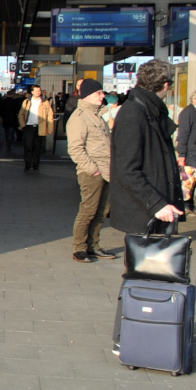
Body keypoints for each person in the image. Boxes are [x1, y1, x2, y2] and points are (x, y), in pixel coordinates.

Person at [109, 58, 185, 236]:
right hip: (146, 211)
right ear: (166, 85)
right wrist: (157, 204)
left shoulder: (148, 109)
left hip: (154, 207)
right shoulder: (134, 113)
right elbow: (127, 169)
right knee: (147, 262)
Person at [67, 79, 115, 262]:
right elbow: (75, 149)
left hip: (107, 171)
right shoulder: (79, 118)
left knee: (102, 212)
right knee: (88, 211)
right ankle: (79, 248)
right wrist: (93, 169)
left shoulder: (99, 115)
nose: (103, 96)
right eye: (99, 93)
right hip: (92, 173)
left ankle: (93, 246)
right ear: (88, 95)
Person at [17, 84, 54, 172]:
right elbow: (21, 114)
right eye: (36, 91)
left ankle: (36, 165)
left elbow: (50, 115)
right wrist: (23, 125)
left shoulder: (45, 102)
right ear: (32, 92)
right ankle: (28, 164)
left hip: (40, 127)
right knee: (28, 146)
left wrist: (50, 128)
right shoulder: (26, 102)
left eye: (39, 91)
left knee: (37, 147)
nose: (38, 92)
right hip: (28, 127)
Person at [0, 89, 23, 154]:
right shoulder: (15, 102)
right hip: (13, 120)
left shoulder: (3, 102)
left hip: (5, 120)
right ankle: (8, 146)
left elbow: (0, 111)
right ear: (12, 95)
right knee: (11, 133)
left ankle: (7, 144)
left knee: (6, 133)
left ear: (7, 95)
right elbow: (18, 110)